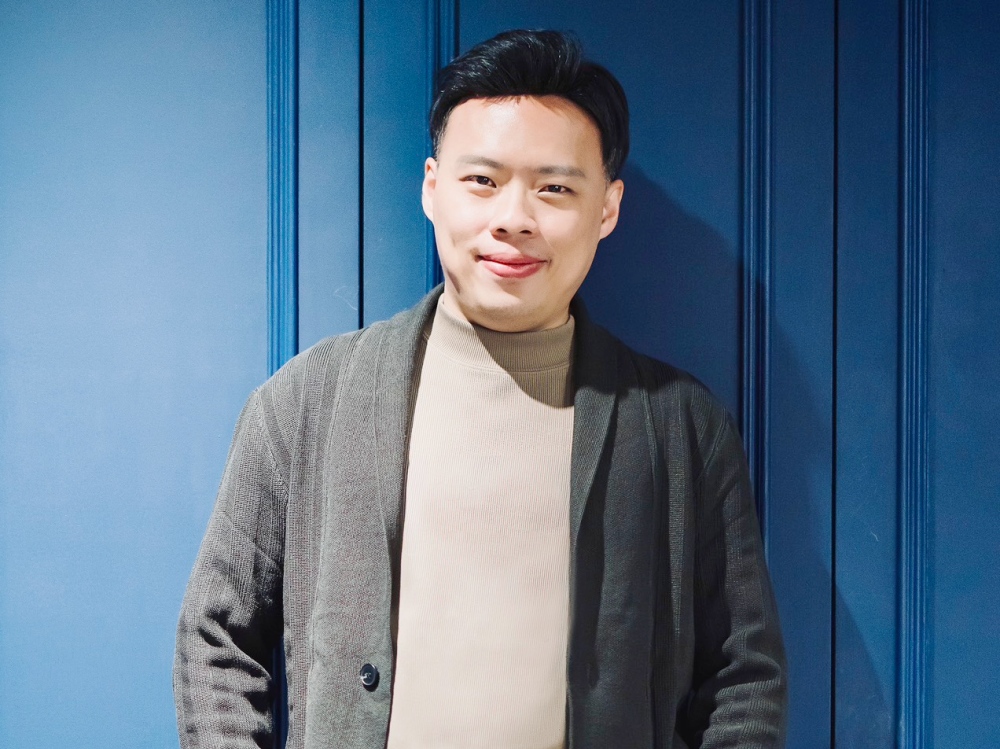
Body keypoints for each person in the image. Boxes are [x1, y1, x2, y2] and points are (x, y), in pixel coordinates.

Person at [174, 29, 787, 749]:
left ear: (608, 207)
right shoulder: (308, 402)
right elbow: (215, 636)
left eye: (554, 188)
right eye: (483, 181)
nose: (513, 219)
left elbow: (743, 676)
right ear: (432, 188)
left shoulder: (681, 426)